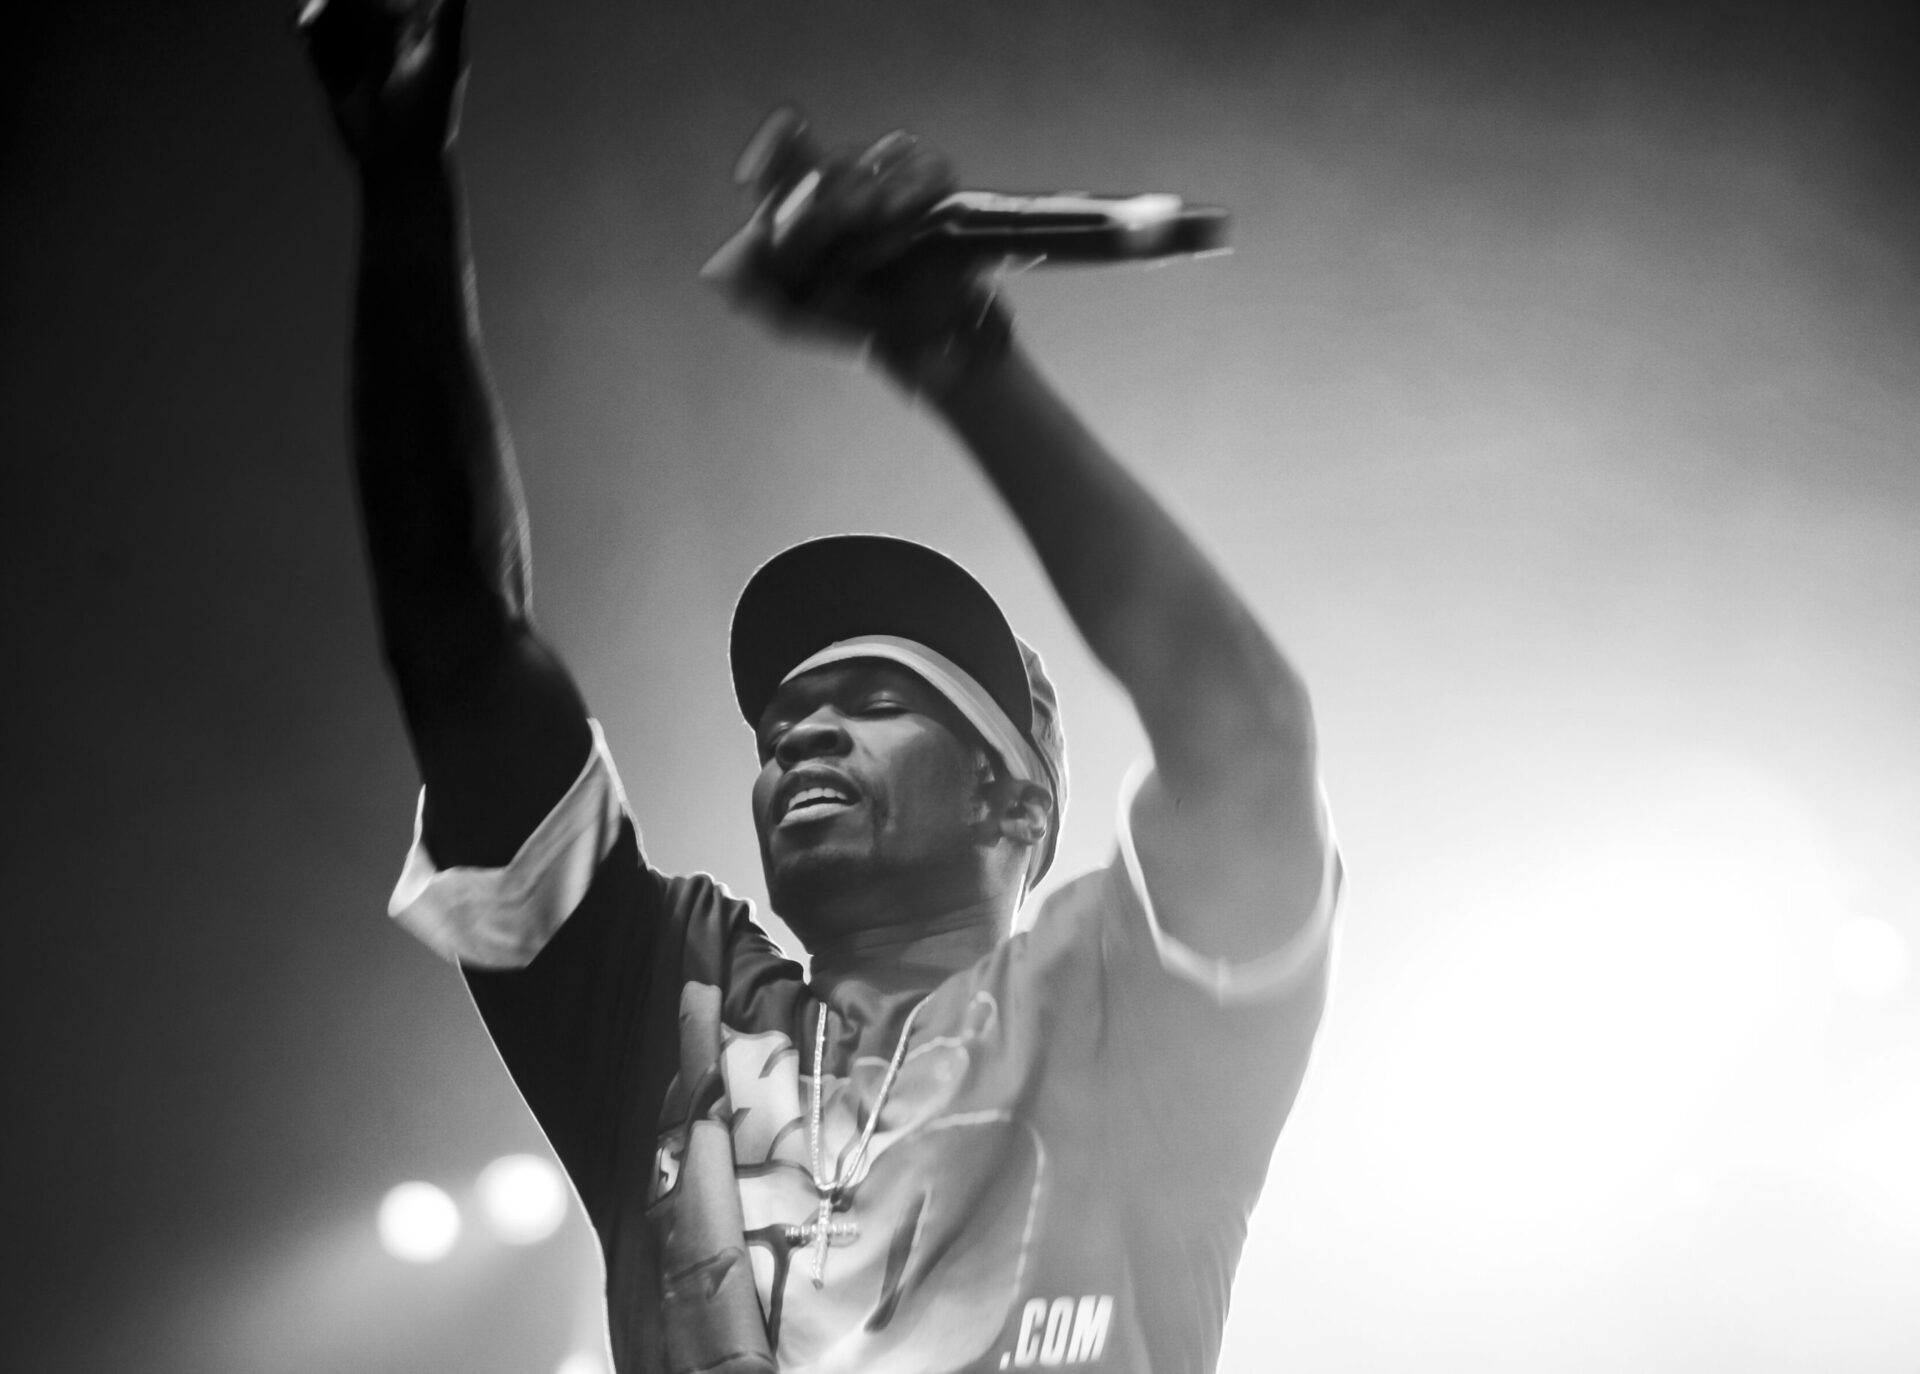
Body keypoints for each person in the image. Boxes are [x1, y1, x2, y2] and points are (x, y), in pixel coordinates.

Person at [299, 1, 1341, 1370]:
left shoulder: (1126, 1008)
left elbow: (1248, 740)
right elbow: (459, 642)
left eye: (870, 697)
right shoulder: (663, 1005)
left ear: (1009, 794)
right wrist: (404, 175)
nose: (801, 731)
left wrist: (957, 355)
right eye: (781, 718)